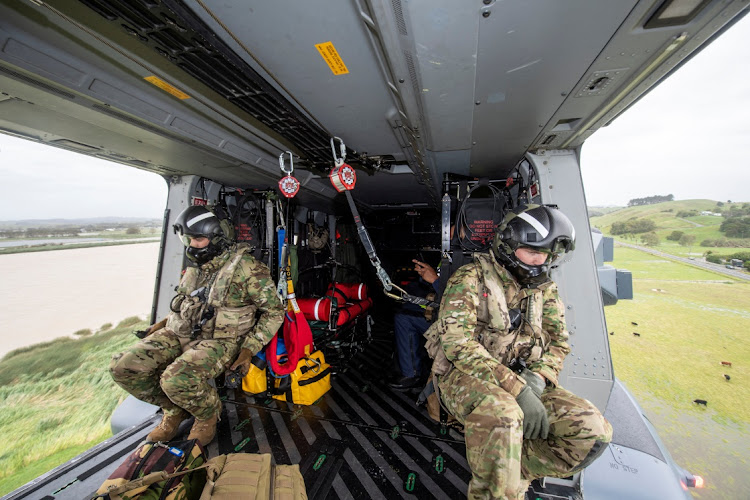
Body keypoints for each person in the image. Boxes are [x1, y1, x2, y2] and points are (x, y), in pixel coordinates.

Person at [428, 204, 612, 500]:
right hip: (464, 376)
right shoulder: (469, 279)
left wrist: (538, 379)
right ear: (509, 245)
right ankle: (496, 486)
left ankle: (512, 469)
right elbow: (457, 345)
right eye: (533, 251)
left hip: (527, 378)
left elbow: (558, 343)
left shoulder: (544, 289)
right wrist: (519, 390)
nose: (541, 260)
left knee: (592, 430)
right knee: (504, 414)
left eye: (547, 254)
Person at [110, 205, 284, 446]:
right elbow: (184, 303)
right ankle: (174, 409)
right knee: (123, 367)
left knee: (174, 379)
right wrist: (161, 325)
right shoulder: (196, 266)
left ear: (217, 237)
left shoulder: (248, 269)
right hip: (179, 331)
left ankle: (207, 415)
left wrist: (249, 349)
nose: (192, 245)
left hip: (222, 341)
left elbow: (274, 312)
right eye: (188, 238)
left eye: (198, 238)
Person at [388, 259, 439, 390]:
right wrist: (426, 277)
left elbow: (457, 294)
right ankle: (410, 370)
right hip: (440, 310)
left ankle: (411, 374)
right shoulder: (452, 254)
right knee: (405, 310)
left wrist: (435, 280)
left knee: (404, 319)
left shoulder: (467, 262)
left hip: (455, 324)